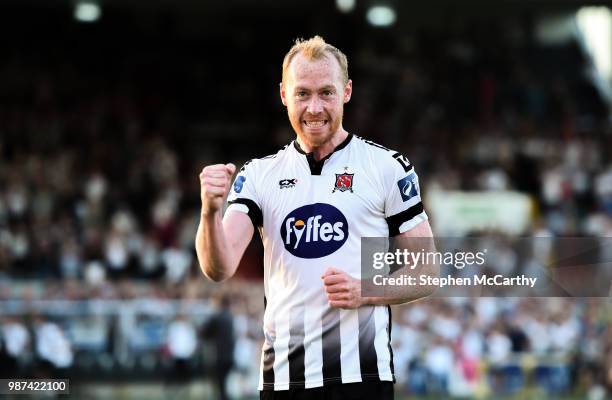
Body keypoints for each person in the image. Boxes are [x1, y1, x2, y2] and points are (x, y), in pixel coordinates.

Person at [196, 36, 436, 400]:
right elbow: (219, 267)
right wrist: (210, 210)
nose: (314, 107)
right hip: (283, 381)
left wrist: (364, 290)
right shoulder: (258, 175)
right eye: (302, 93)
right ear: (283, 94)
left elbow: (427, 271)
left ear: (347, 91)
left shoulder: (388, 168)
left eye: (326, 92)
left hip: (363, 379)